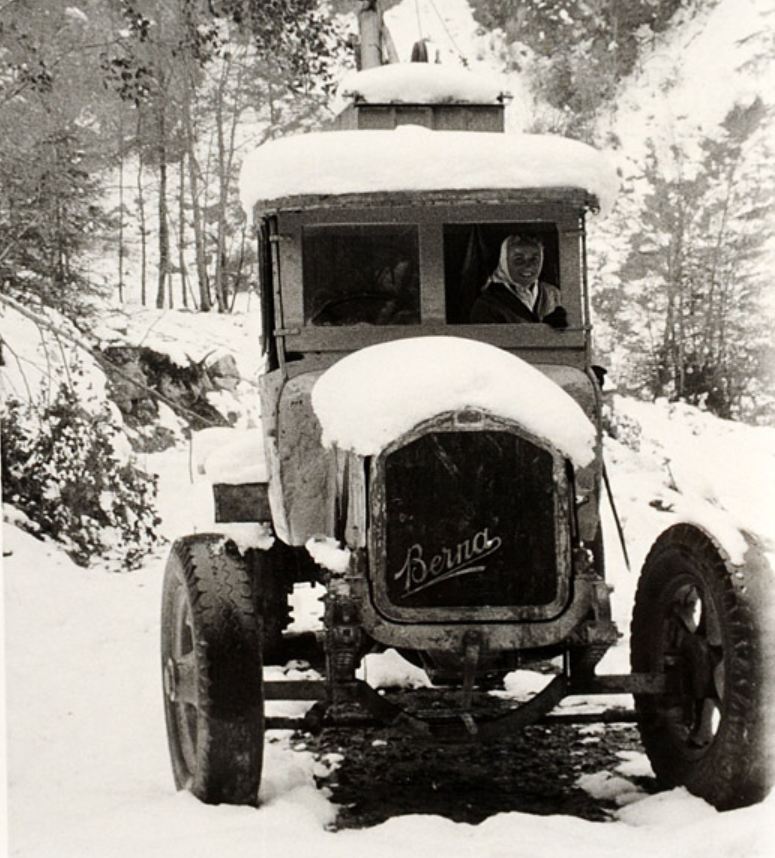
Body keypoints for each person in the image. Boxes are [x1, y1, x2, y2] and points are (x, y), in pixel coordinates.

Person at [469, 234, 568, 327]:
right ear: (504, 262)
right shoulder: (487, 304)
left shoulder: (554, 294)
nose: (528, 265)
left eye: (534, 259)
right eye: (519, 259)